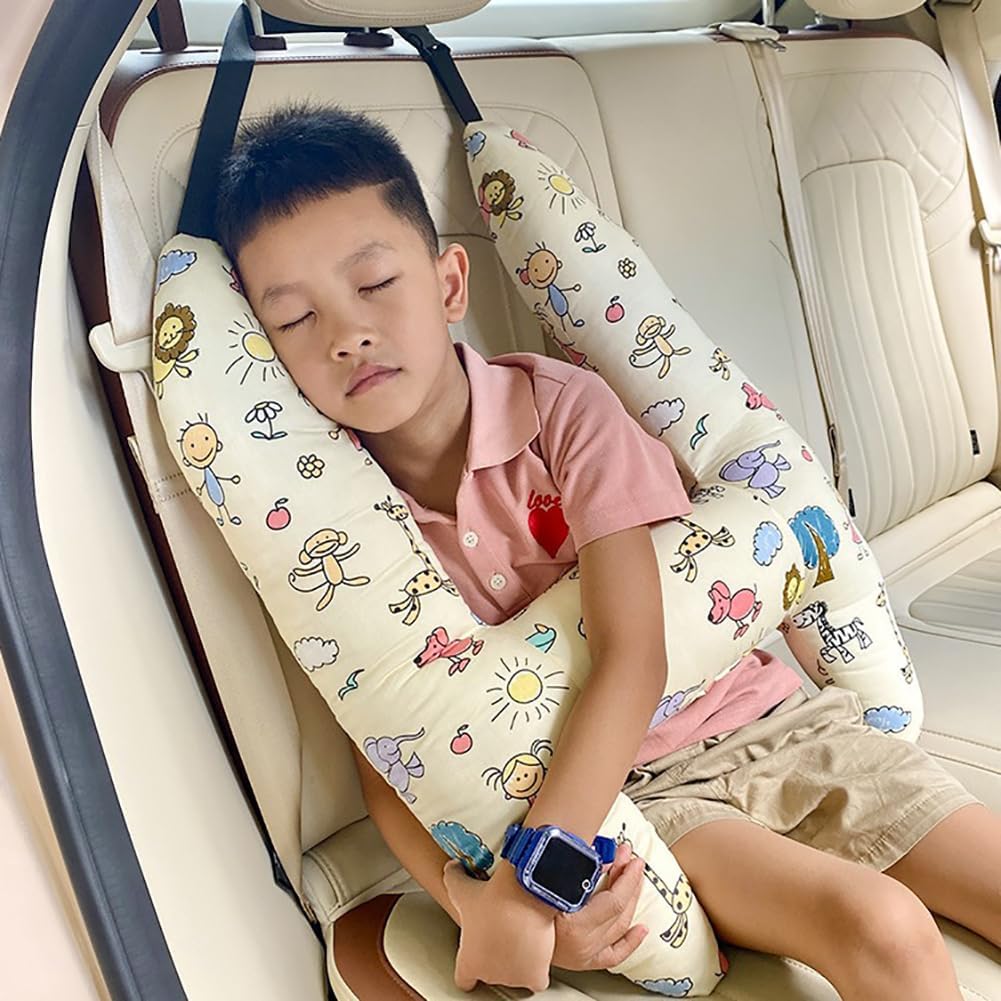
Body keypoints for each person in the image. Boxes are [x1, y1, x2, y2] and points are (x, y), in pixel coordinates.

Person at [215, 102, 999, 999]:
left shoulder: (563, 410)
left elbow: (635, 653)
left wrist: (527, 885)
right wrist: (474, 900)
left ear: (448, 283)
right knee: (882, 925)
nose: (345, 334)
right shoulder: (344, 535)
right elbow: (391, 749)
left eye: (375, 283)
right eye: (295, 319)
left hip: (777, 719)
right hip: (642, 799)